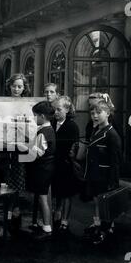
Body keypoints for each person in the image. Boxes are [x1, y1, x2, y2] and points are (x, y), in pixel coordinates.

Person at [83, 100, 122, 245]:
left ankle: (104, 232)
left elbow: (116, 161)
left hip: (104, 175)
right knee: (96, 202)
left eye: (99, 113)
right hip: (94, 174)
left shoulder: (112, 135)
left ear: (108, 113)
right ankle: (98, 226)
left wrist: (113, 181)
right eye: (92, 113)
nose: (95, 116)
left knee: (104, 205)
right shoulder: (96, 130)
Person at [17, 101, 56, 239]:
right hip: (46, 168)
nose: (34, 119)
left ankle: (47, 227)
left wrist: (22, 146)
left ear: (43, 116)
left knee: (43, 198)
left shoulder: (43, 132)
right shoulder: (48, 130)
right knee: (42, 197)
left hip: (42, 170)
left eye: (35, 116)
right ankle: (45, 224)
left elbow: (37, 153)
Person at [5, 74, 31, 231]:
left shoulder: (26, 104)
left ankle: (16, 211)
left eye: (20, 86)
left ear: (24, 88)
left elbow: (30, 125)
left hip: (20, 145)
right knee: (5, 180)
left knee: (18, 180)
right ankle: (8, 212)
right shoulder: (3, 103)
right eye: (14, 85)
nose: (16, 89)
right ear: (9, 86)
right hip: (4, 144)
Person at [51, 96, 80, 234]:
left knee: (67, 193)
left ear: (67, 110)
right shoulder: (51, 123)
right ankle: (57, 212)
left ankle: (64, 220)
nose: (56, 112)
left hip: (66, 164)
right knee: (57, 191)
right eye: (54, 109)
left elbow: (73, 147)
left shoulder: (72, 126)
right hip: (53, 164)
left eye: (59, 109)